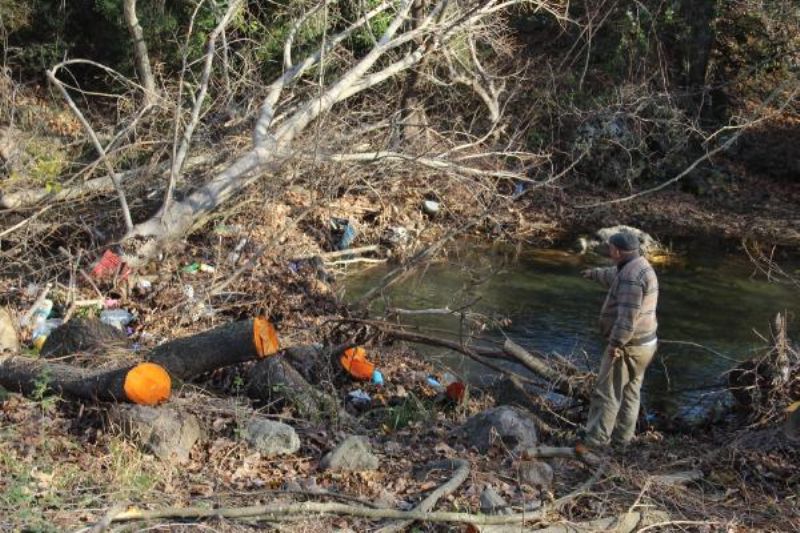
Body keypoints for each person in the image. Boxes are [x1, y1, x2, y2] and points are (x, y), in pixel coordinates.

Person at [579, 231, 659, 449]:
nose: (609, 252)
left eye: (610, 249)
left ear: (616, 250)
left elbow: (627, 318)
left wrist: (615, 345)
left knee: (607, 394)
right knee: (631, 393)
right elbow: (613, 275)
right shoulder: (639, 265)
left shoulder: (631, 279)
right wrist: (593, 273)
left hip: (628, 347)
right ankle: (622, 441)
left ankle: (595, 444)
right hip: (646, 344)